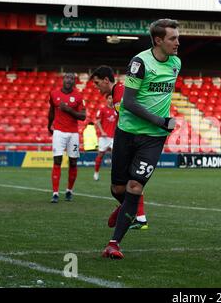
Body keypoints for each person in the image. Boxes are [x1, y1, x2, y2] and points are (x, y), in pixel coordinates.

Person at [102, 19, 181, 259]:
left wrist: (160, 125)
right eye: (172, 39)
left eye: (178, 38)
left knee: (135, 186)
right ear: (158, 40)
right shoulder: (139, 63)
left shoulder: (176, 63)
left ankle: (114, 243)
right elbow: (130, 102)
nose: (177, 43)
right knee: (118, 187)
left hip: (154, 138)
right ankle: (125, 206)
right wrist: (160, 120)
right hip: (128, 131)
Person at [91, 65, 149, 230]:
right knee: (116, 188)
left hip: (136, 140)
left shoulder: (122, 91)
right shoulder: (116, 93)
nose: (96, 87)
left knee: (133, 180)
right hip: (125, 140)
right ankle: (129, 211)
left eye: (97, 83)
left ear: (106, 80)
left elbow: (137, 111)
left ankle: (140, 218)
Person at [48, 73, 86, 203]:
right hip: (58, 132)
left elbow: (83, 116)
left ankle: (69, 191)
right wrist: (49, 126)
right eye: (67, 78)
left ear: (74, 82)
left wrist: (68, 109)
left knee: (73, 162)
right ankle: (55, 193)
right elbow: (51, 111)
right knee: (57, 160)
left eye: (71, 78)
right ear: (63, 80)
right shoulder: (53, 94)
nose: (69, 80)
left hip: (73, 134)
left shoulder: (78, 96)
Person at [93, 94, 117, 181]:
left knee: (116, 155)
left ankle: (114, 172)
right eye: (109, 98)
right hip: (104, 137)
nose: (111, 100)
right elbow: (98, 121)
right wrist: (102, 131)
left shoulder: (116, 110)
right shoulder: (102, 109)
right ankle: (96, 172)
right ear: (106, 99)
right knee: (100, 154)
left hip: (114, 136)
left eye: (112, 98)